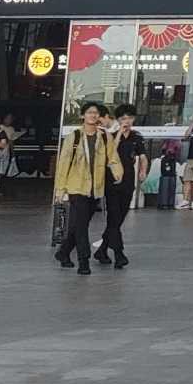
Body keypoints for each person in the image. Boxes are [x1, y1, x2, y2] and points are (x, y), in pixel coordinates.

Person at [52, 102, 124, 276]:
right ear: (83, 116)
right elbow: (63, 164)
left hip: (95, 188)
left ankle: (63, 252)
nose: (93, 115)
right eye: (89, 112)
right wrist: (60, 189)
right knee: (81, 226)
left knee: (79, 223)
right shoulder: (74, 137)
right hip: (76, 187)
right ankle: (84, 260)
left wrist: (118, 172)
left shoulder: (105, 136)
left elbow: (113, 157)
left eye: (95, 113)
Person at [93, 105, 147, 268]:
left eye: (129, 118)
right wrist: (118, 134)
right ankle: (119, 253)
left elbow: (143, 156)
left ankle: (102, 250)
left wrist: (143, 171)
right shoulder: (110, 136)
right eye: (123, 119)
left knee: (118, 219)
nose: (127, 121)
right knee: (114, 216)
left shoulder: (137, 137)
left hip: (128, 180)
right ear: (118, 120)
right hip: (112, 181)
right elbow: (110, 152)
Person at [155, 140, 181, 213]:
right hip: (167, 173)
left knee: (169, 178)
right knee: (167, 178)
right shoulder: (168, 142)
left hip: (169, 172)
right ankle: (165, 203)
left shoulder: (174, 142)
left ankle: (167, 203)